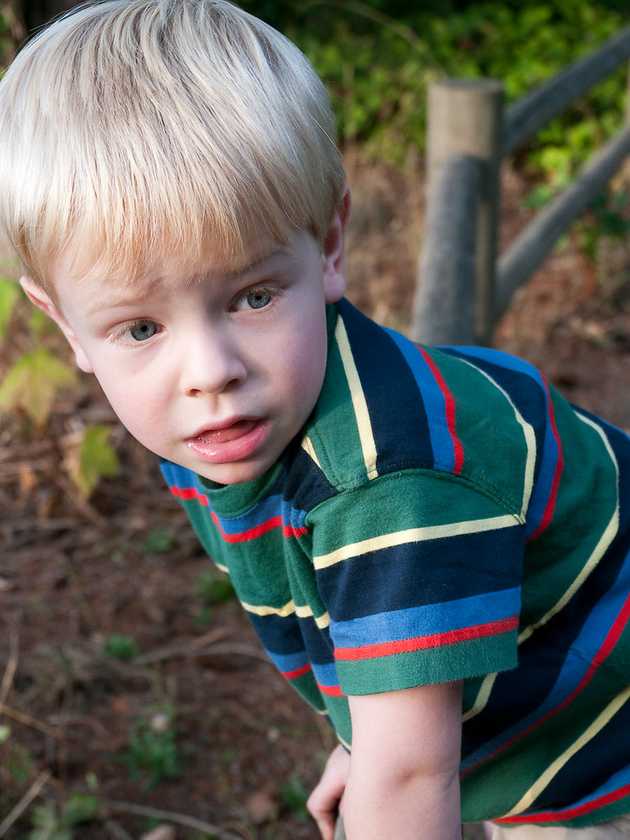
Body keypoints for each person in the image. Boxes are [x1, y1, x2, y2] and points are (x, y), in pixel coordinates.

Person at [1, 1, 629, 838]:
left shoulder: (388, 478)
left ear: (331, 245)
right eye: (141, 328)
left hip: (602, 748)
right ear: (65, 326)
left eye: (252, 296)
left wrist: (395, 757)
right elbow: (361, 635)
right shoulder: (231, 426)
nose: (211, 371)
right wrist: (377, 723)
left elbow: (410, 781)